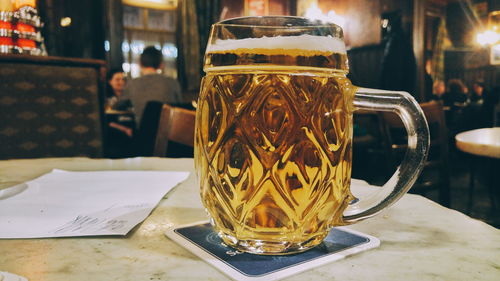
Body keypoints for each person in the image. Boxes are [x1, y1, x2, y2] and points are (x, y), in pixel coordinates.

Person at [116, 46, 182, 126]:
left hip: (144, 134)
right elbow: (180, 108)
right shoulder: (173, 83)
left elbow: (119, 105)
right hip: (169, 134)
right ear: (161, 65)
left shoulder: (132, 84)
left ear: (140, 63)